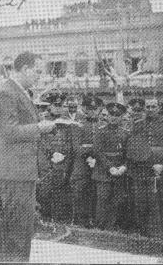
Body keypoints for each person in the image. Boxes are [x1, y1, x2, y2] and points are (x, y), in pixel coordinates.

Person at [0, 51, 56, 262]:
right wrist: (39, 127)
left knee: (22, 228)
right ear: (26, 69)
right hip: (14, 172)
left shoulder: (19, 92)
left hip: (21, 171)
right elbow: (8, 132)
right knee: (15, 228)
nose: (39, 76)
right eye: (37, 71)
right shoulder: (7, 93)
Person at [126, 98, 163, 238]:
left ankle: (157, 233)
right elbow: (132, 146)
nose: (151, 109)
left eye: (153, 106)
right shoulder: (138, 124)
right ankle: (142, 231)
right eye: (148, 107)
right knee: (140, 200)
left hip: (158, 169)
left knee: (156, 201)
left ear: (158, 108)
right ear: (144, 108)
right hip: (140, 168)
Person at [94, 102, 131, 231]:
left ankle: (112, 227)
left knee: (117, 200)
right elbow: (98, 152)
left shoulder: (126, 134)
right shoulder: (100, 132)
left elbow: (128, 154)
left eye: (117, 115)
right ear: (107, 116)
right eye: (111, 115)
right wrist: (110, 167)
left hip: (120, 172)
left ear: (121, 117)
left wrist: (123, 167)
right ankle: (100, 228)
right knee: (103, 200)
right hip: (103, 172)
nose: (114, 118)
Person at [70, 93, 104, 228]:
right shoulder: (78, 125)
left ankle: (95, 220)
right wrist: (89, 155)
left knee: (97, 192)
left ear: (100, 109)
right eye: (89, 109)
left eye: (95, 109)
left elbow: (104, 146)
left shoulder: (103, 125)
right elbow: (77, 148)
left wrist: (91, 149)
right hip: (81, 165)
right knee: (80, 191)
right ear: (84, 109)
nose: (92, 112)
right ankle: (80, 220)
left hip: (99, 163)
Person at [40, 90, 74, 223]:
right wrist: (51, 154)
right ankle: (45, 221)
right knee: (45, 194)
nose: (59, 108)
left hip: (63, 164)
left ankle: (60, 223)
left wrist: (64, 154)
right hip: (46, 164)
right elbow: (40, 142)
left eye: (61, 105)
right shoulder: (43, 122)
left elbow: (70, 142)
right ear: (49, 106)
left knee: (61, 195)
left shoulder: (67, 123)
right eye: (56, 105)